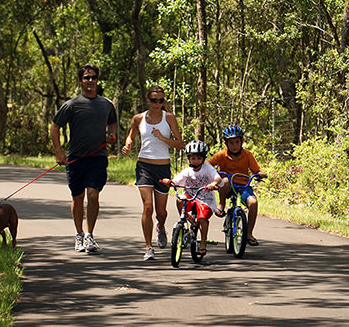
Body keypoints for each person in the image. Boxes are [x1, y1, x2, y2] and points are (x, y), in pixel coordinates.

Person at [50, 64, 117, 254]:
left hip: (98, 157)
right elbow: (54, 127)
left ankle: (89, 235)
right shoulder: (71, 105)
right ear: (81, 80)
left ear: (97, 79)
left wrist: (111, 135)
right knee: (77, 197)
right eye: (86, 78)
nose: (90, 81)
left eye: (93, 77)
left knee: (93, 194)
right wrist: (58, 152)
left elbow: (113, 123)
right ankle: (78, 234)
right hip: (75, 158)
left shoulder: (106, 104)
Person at [122, 85, 185, 261]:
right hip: (144, 166)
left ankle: (161, 227)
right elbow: (131, 136)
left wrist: (162, 138)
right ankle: (148, 247)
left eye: (161, 100)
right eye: (154, 100)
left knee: (161, 211)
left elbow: (180, 144)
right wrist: (128, 145)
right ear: (148, 100)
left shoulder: (169, 118)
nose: (157, 103)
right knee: (148, 207)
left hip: (162, 167)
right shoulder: (139, 118)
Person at [206, 125, 267, 246]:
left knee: (253, 203)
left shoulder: (248, 155)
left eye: (237, 142)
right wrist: (213, 172)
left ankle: (249, 233)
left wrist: (260, 174)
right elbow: (208, 162)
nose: (234, 146)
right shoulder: (222, 154)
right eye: (231, 143)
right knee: (226, 181)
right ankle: (222, 204)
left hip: (244, 185)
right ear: (226, 143)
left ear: (242, 142)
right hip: (227, 186)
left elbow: (256, 170)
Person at [162, 140, 223, 256]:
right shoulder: (187, 171)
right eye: (193, 158)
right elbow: (176, 180)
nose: (196, 161)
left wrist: (213, 183)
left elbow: (217, 178)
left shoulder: (207, 169)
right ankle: (184, 220)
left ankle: (203, 242)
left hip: (205, 198)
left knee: (202, 218)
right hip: (190, 196)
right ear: (189, 158)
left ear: (203, 158)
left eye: (199, 158)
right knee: (180, 199)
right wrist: (170, 182)